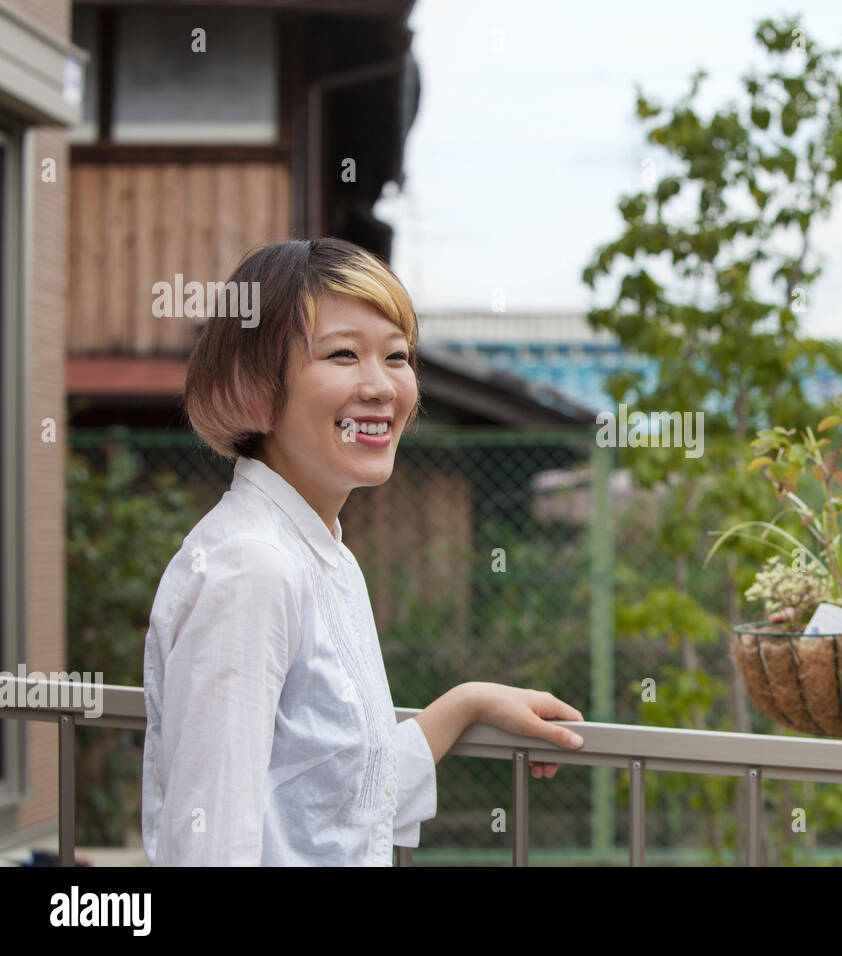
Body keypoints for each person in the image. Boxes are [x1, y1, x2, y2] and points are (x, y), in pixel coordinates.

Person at [142, 238, 585, 866]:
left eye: (397, 356)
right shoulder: (252, 568)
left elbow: (338, 806)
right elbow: (210, 845)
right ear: (255, 383)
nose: (381, 387)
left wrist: (467, 704)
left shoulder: (321, 554)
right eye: (343, 354)